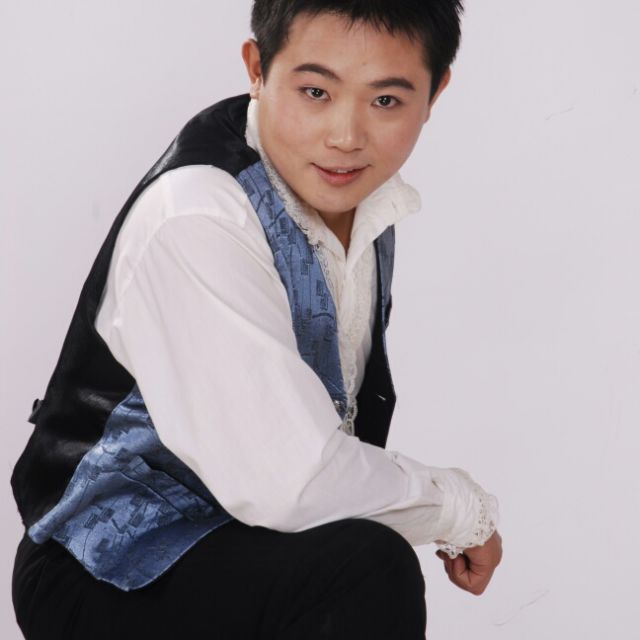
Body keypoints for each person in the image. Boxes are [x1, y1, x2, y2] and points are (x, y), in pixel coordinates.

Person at [11, 1, 502, 638]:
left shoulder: (365, 200)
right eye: (315, 92)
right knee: (363, 568)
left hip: (248, 547)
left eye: (386, 101)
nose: (345, 136)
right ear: (257, 68)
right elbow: (288, 481)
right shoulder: (198, 214)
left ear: (434, 94)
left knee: (352, 564)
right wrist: (457, 508)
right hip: (108, 568)